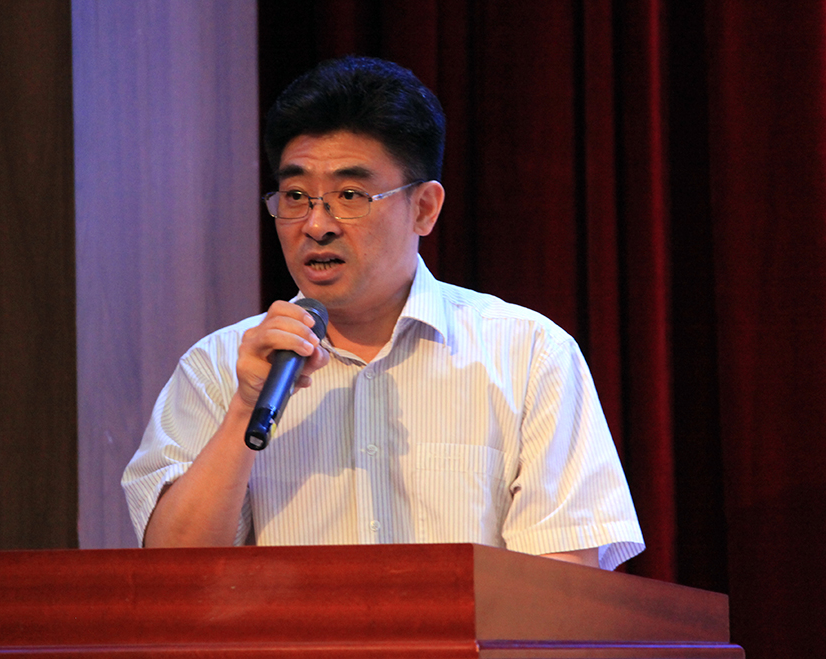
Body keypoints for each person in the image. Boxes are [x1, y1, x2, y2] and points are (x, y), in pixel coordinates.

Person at [122, 56, 644, 570]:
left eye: (350, 195)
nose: (316, 225)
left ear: (424, 208)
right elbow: (172, 573)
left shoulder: (529, 354)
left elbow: (562, 580)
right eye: (296, 195)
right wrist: (245, 407)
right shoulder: (218, 366)